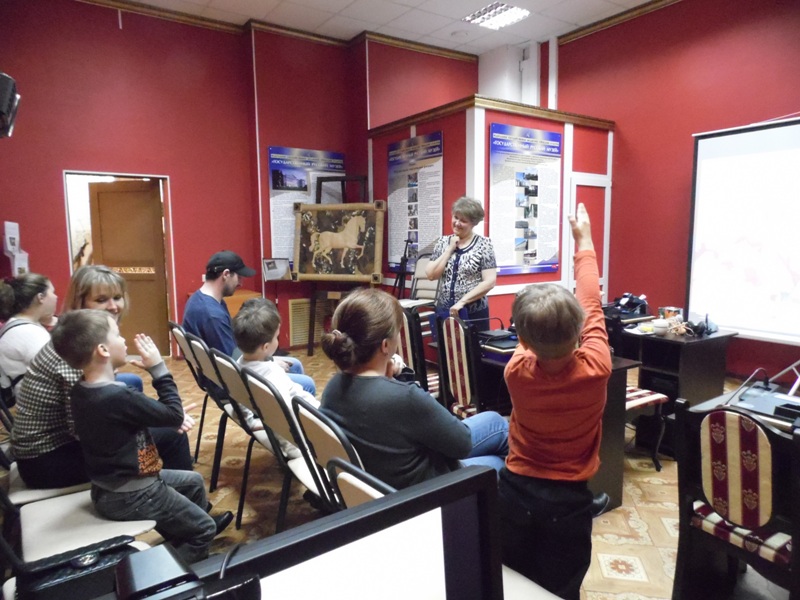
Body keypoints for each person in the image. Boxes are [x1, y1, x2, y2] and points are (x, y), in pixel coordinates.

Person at [51, 310, 232, 564]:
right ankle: (180, 564)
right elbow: (173, 414)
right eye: (117, 334)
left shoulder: (81, 389)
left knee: (192, 482)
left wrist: (166, 417)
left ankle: (186, 530)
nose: (124, 340)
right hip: (134, 493)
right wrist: (158, 368)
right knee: (204, 530)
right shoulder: (118, 397)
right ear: (102, 350)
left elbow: (133, 419)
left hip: (109, 489)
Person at [498, 203, 612, 600]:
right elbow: (591, 301)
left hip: (514, 492)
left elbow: (530, 338)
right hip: (569, 502)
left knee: (514, 581)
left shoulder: (516, 370)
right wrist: (585, 242)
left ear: (522, 341)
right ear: (580, 332)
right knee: (561, 589)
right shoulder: (597, 366)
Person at [11, 265, 194, 488]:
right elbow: (87, 430)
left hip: (59, 446)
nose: (113, 306)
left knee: (147, 405)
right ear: (80, 302)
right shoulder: (76, 351)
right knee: (172, 436)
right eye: (101, 300)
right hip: (46, 462)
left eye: (117, 297)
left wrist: (158, 416)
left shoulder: (78, 333)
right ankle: (176, 501)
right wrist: (160, 419)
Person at [319, 287, 508, 490]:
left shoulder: (333, 388)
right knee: (500, 458)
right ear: (385, 346)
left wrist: (394, 378)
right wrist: (402, 381)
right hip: (426, 492)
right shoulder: (404, 397)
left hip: (377, 484)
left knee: (494, 421)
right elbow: (462, 445)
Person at [183, 251, 315, 394]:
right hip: (228, 382)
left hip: (216, 373)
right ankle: (287, 408)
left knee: (295, 364)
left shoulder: (198, 299)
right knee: (307, 384)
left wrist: (268, 360)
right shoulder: (212, 316)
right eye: (239, 277)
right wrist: (268, 362)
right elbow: (231, 364)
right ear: (226, 274)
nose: (240, 283)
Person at [232, 297, 319, 459]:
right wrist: (299, 453)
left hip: (306, 411)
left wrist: (250, 421)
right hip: (310, 420)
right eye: (277, 337)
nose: (277, 340)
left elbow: (239, 405)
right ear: (266, 347)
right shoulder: (273, 378)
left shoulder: (238, 365)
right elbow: (285, 420)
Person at [425, 196, 497, 331]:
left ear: (473, 223)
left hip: (473, 312)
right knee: (446, 344)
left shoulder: (484, 244)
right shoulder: (442, 242)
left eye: (463, 221)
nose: (457, 223)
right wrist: (449, 250)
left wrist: (462, 302)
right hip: (445, 310)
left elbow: (490, 281)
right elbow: (431, 275)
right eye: (455, 217)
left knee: (473, 345)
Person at [0, 273, 58, 397]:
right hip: (37, 404)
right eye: (52, 292)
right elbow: (57, 371)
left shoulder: (16, 326)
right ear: (40, 297)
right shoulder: (29, 333)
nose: (56, 297)